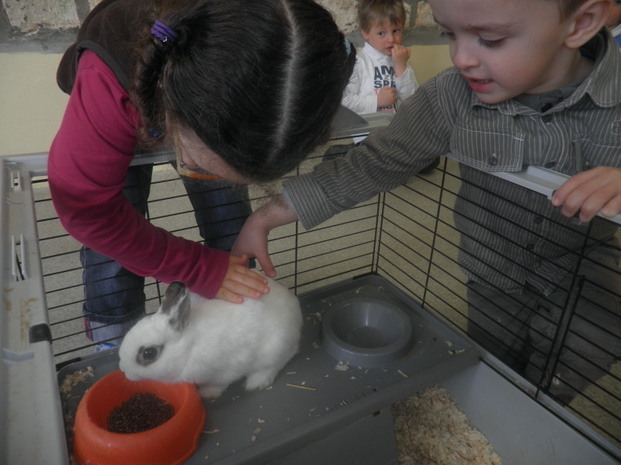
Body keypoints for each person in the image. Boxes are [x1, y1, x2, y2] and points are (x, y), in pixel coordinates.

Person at [233, 0, 621, 405]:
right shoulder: (450, 95)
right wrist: (264, 218)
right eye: (450, 34)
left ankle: (545, 408)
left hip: (581, 261)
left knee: (591, 343)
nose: (462, 58)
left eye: (489, 39)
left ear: (582, 23)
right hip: (492, 269)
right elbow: (374, 163)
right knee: (495, 357)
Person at [48, 0, 356, 347]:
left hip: (209, 109)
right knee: (115, 234)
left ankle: (238, 304)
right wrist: (197, 268)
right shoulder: (105, 83)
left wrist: (250, 229)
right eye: (202, 162)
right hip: (127, 85)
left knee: (224, 207)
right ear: (174, 118)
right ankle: (112, 334)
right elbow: (89, 210)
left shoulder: (283, 60)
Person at [324, 0, 418, 160]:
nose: (391, 40)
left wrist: (402, 69)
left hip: (397, 134)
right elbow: (345, 101)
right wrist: (377, 101)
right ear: (366, 33)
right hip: (368, 135)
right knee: (363, 159)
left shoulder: (401, 60)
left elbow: (413, 102)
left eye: (396, 31)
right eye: (382, 33)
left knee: (426, 156)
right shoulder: (358, 62)